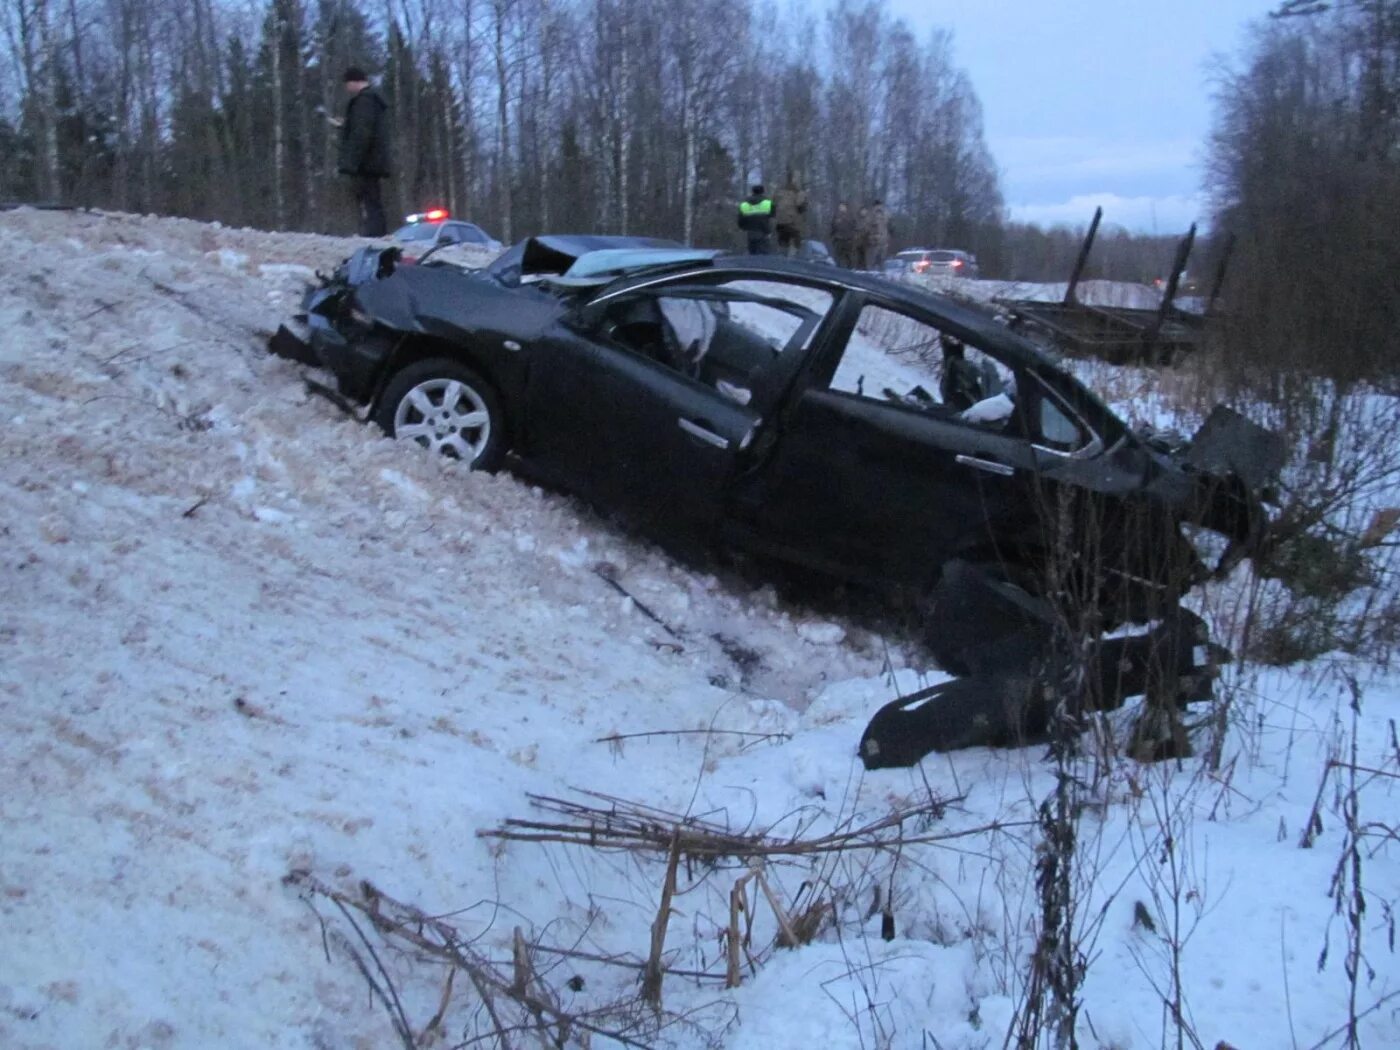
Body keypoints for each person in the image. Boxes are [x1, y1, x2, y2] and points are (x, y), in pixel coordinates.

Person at [337, 67, 393, 237]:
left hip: (366, 161)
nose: (347, 89)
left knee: (368, 201)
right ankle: (377, 234)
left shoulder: (364, 101)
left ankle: (373, 236)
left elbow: (362, 132)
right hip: (374, 160)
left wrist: (350, 162)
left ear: (354, 82)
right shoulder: (374, 101)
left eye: (347, 84)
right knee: (373, 200)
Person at [772, 171, 807, 257]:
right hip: (792, 223)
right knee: (796, 243)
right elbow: (800, 206)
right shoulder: (799, 193)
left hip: (780, 224)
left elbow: (773, 205)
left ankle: (781, 260)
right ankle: (790, 262)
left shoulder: (779, 192)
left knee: (783, 244)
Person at [736, 183, 774, 255]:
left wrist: (743, 227)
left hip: (750, 231)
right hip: (763, 230)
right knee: (764, 254)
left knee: (752, 253)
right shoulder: (768, 202)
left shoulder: (745, 203)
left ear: (752, 192)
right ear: (762, 192)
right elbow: (772, 215)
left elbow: (740, 218)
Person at [865, 199, 890, 270]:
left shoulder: (885, 215)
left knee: (881, 261)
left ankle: (880, 273)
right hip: (874, 241)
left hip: (883, 241)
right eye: (878, 206)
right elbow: (867, 228)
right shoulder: (871, 215)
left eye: (880, 206)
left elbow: (888, 227)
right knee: (872, 261)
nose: (879, 208)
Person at [830, 200, 857, 268]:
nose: (841, 208)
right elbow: (832, 227)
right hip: (838, 239)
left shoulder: (851, 216)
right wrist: (832, 236)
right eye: (840, 206)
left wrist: (852, 237)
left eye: (843, 206)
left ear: (846, 207)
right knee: (837, 257)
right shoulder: (836, 216)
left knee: (848, 257)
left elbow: (855, 227)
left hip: (848, 240)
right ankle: (837, 269)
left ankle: (850, 269)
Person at [853, 204, 870, 270]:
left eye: (864, 211)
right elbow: (855, 229)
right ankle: (858, 268)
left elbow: (870, 230)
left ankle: (866, 268)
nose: (863, 212)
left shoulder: (869, 220)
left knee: (866, 257)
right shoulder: (857, 220)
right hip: (859, 241)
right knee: (858, 256)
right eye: (862, 211)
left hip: (867, 241)